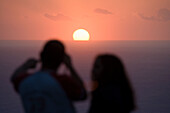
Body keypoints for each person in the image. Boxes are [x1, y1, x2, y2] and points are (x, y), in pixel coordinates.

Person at [11, 40, 87, 113]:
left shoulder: (25, 81)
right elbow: (83, 94)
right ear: (62, 59)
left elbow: (14, 78)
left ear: (41, 55)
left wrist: (26, 65)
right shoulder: (63, 81)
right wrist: (70, 67)